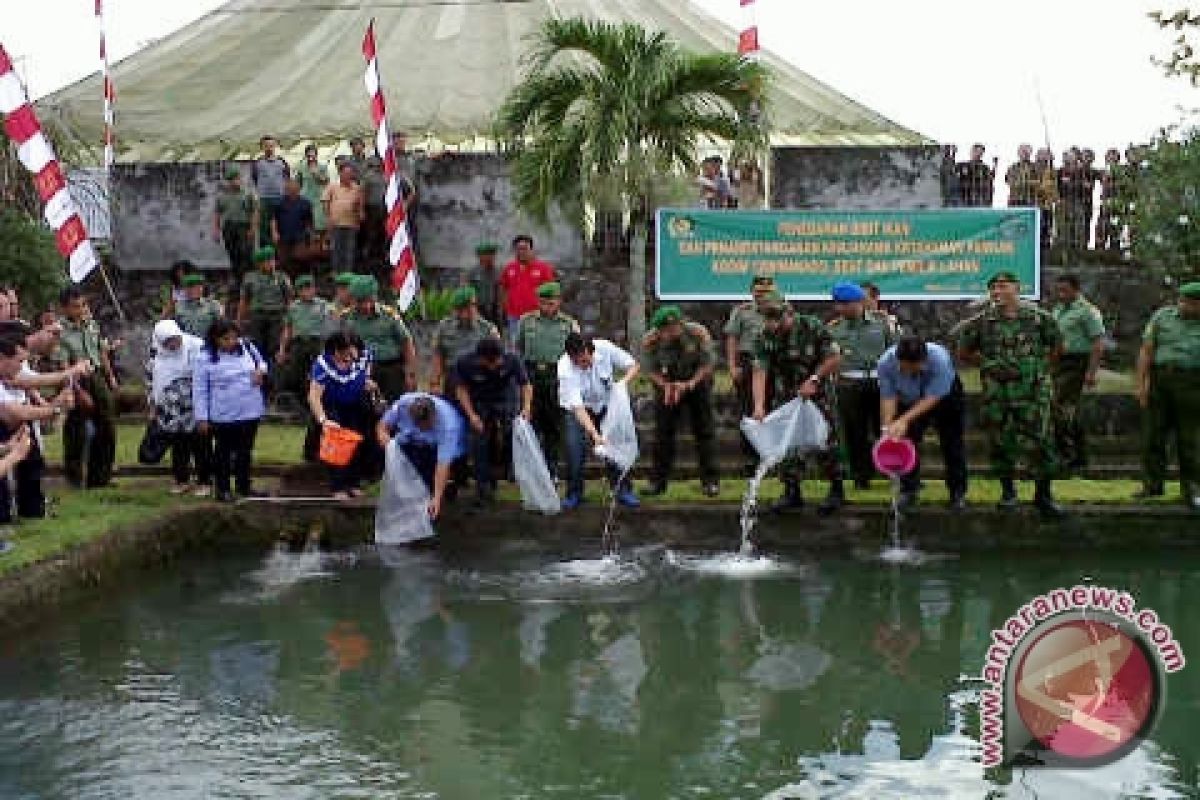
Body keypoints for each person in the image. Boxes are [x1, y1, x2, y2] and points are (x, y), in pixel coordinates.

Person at [955, 270, 1065, 516]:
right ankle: (1008, 493)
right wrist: (989, 366)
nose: (997, 292)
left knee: (1042, 443)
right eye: (993, 288)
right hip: (999, 394)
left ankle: (1043, 496)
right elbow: (964, 352)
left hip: (1034, 394)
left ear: (1017, 288)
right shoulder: (982, 322)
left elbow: (1057, 346)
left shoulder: (1039, 318)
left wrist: (1038, 369)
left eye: (1003, 286)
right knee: (1001, 444)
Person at [751, 291, 845, 515]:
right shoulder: (763, 336)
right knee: (787, 443)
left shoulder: (811, 327)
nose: (773, 324)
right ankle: (792, 491)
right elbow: (760, 370)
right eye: (768, 318)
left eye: (777, 318)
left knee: (825, 440)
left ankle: (836, 489)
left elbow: (834, 357)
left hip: (817, 391)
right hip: (787, 394)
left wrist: (814, 379)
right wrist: (759, 405)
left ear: (789, 313)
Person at [0, 327, 81, 526]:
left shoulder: (8, 376)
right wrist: (54, 408)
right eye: (18, 362)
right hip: (10, 423)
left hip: (15, 426)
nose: (21, 368)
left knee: (29, 465)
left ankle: (25, 513)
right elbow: (12, 412)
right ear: (2, 357)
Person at [877, 336, 968, 511]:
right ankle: (909, 490)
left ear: (924, 360)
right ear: (898, 360)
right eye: (906, 367)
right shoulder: (885, 364)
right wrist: (887, 428)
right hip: (908, 398)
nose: (911, 370)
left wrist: (903, 420)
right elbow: (888, 397)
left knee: (952, 443)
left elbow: (932, 398)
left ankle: (957, 492)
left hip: (945, 398)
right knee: (906, 440)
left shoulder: (940, 360)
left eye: (916, 366)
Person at [641, 306, 720, 498]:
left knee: (704, 432)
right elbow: (650, 369)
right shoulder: (650, 340)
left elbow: (707, 364)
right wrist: (666, 386)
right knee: (663, 433)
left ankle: (710, 482)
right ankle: (658, 482)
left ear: (680, 324)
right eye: (662, 330)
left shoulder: (698, 333)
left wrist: (690, 384)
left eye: (670, 329)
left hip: (697, 382)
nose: (665, 334)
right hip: (667, 384)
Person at [1135, 282, 1200, 510]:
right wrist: (1141, 384)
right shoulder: (1162, 317)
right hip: (1161, 380)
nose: (1184, 305)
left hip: (1192, 382)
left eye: (1190, 303)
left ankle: (1191, 488)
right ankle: (1152, 485)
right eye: (1182, 300)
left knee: (1189, 439)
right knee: (1153, 435)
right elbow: (1146, 350)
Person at [557, 333, 641, 510]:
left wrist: (623, 383)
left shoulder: (605, 347)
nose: (582, 364)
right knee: (574, 448)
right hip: (579, 410)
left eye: (585, 360)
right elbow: (577, 407)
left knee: (615, 446)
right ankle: (574, 493)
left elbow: (633, 365)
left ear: (592, 351)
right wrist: (595, 434)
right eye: (577, 361)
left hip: (607, 403)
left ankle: (622, 490)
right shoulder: (564, 368)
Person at [827, 281, 896, 489]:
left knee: (884, 429)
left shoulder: (882, 323)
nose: (840, 308)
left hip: (879, 382)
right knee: (854, 432)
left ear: (859, 303)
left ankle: (893, 472)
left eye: (845, 303)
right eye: (837, 304)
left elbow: (895, 351)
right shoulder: (833, 329)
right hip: (849, 383)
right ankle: (860, 477)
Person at [193, 319, 268, 503]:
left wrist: (261, 371)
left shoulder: (247, 347)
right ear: (215, 339)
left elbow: (262, 362)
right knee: (223, 453)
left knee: (245, 451)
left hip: (250, 410)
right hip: (223, 414)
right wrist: (201, 417)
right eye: (226, 339)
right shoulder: (204, 358)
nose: (231, 342)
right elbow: (199, 389)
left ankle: (244, 486)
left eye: (234, 338)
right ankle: (223, 489)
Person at [454, 337, 533, 506]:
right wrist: (472, 416)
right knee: (478, 440)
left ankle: (513, 470)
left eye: (496, 362)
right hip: (479, 400)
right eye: (489, 363)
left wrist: (526, 408)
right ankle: (483, 487)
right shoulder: (465, 362)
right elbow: (461, 390)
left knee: (513, 431)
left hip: (505, 398)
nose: (493, 366)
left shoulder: (511, 359)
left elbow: (525, 384)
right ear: (480, 358)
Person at [516, 282, 578, 480]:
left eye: (550, 303)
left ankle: (551, 470)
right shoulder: (526, 321)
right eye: (543, 303)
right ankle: (532, 470)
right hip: (532, 376)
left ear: (559, 302)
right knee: (531, 424)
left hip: (556, 376)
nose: (546, 307)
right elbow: (518, 349)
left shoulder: (568, 324)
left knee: (553, 426)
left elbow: (574, 353)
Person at [59, 286, 119, 489]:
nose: (81, 309)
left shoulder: (91, 324)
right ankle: (74, 478)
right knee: (76, 431)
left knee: (107, 426)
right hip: (75, 379)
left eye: (83, 305)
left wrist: (110, 376)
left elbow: (101, 350)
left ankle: (101, 478)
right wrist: (77, 390)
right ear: (65, 308)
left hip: (96, 375)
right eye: (76, 306)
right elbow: (63, 365)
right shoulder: (60, 331)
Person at [309, 330, 376, 500]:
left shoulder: (363, 356)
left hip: (355, 405)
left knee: (358, 442)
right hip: (332, 407)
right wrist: (324, 420)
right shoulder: (323, 364)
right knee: (339, 446)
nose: (347, 358)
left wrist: (366, 384)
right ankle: (338, 486)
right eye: (342, 353)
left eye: (351, 352)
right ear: (334, 350)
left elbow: (364, 375)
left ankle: (353, 483)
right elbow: (314, 396)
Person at [376, 393, 466, 520]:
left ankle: (443, 492)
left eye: (426, 425)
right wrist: (391, 452)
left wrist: (437, 498)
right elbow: (382, 428)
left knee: (430, 485)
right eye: (419, 424)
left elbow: (443, 465)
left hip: (436, 446)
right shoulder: (403, 404)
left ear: (433, 417)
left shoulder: (449, 425)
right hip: (408, 440)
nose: (423, 428)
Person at [1051, 274, 1107, 473]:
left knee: (1061, 408)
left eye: (1065, 290)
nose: (1060, 294)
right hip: (1059, 363)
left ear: (1076, 290)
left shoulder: (1087, 312)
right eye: (1058, 290)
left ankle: (1071, 456)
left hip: (1078, 363)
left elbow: (1099, 343)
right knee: (1060, 411)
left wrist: (1091, 372)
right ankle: (1073, 455)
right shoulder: (1058, 310)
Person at [148, 319, 210, 496]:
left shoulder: (196, 346)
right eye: (168, 341)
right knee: (178, 444)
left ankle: (204, 481)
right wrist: (153, 405)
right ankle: (182, 480)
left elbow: (204, 376)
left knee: (200, 444)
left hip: (195, 406)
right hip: (170, 410)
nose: (174, 344)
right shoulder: (157, 354)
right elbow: (151, 380)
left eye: (175, 339)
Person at [724, 275, 776, 476]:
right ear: (752, 292)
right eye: (758, 291)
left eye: (766, 291)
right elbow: (732, 339)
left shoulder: (781, 311)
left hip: (774, 364)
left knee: (773, 410)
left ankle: (771, 456)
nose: (762, 295)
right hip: (747, 362)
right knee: (748, 412)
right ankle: (750, 459)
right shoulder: (742, 312)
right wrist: (732, 365)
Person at [341, 276, 417, 402]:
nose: (365, 306)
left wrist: (410, 373)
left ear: (374, 297)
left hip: (390, 369)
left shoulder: (389, 315)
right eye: (360, 302)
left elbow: (406, 343)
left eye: (368, 300)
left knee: (394, 406)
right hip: (360, 370)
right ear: (353, 299)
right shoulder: (345, 318)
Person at [430, 286, 500, 395]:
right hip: (453, 378)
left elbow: (496, 360)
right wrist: (435, 382)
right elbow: (438, 356)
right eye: (466, 307)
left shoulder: (488, 329)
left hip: (478, 380)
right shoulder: (444, 328)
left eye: (473, 305)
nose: (471, 310)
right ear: (457, 310)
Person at [236, 246, 293, 379]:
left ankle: (273, 380)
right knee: (256, 347)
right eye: (267, 261)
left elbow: (289, 300)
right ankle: (258, 375)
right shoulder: (250, 277)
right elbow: (244, 300)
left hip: (277, 316)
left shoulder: (282, 277)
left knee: (275, 348)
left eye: (272, 260)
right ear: (260, 263)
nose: (270, 264)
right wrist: (239, 320)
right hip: (257, 316)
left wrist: (290, 320)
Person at [278, 275, 334, 398]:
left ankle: (321, 400)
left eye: (310, 288)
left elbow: (333, 322)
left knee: (320, 372)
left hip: (317, 343)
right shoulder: (293, 307)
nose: (308, 291)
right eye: (304, 289)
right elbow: (287, 329)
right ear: (298, 291)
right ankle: (300, 401)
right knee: (295, 374)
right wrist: (282, 349)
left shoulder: (323, 304)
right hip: (298, 343)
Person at [499, 235, 557, 345]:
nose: (521, 252)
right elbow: (503, 289)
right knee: (517, 346)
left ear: (531, 249)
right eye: (518, 249)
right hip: (515, 317)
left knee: (536, 346)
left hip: (537, 316)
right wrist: (505, 307)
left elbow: (552, 292)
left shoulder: (543, 268)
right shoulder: (509, 268)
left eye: (525, 248)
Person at [213, 166, 257, 289]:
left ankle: (250, 281)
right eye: (232, 179)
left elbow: (254, 212)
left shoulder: (248, 194)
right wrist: (216, 230)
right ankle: (239, 281)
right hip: (229, 227)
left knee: (247, 255)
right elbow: (217, 213)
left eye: (237, 178)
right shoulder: (222, 196)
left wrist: (252, 228)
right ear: (228, 181)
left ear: (240, 179)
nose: (235, 182)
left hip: (244, 226)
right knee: (233, 254)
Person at [322, 162, 365, 275]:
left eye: (350, 173)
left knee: (349, 251)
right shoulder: (332, 186)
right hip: (335, 224)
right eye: (345, 173)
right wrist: (328, 218)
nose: (348, 176)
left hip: (351, 224)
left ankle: (348, 274)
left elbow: (360, 205)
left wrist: (360, 214)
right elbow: (325, 203)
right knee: (336, 250)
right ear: (340, 173)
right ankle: (336, 273)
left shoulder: (357, 188)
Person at [270, 177, 315, 277]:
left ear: (299, 189)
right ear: (286, 189)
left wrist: (311, 236)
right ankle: (287, 283)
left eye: (294, 189)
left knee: (300, 260)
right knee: (284, 262)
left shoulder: (306, 203)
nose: (292, 191)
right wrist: (274, 232)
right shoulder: (279, 202)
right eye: (289, 189)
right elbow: (273, 219)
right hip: (283, 237)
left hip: (300, 237)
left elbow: (309, 222)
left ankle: (301, 282)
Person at [251, 135, 290, 246]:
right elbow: (255, 179)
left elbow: (287, 178)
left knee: (282, 226)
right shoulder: (257, 163)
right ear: (262, 147)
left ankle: (281, 258)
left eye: (271, 145)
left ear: (275, 146)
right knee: (264, 229)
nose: (269, 148)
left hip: (280, 199)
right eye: (266, 146)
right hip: (264, 199)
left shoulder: (282, 162)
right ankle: (267, 258)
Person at [172, 272, 224, 339]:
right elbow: (175, 328)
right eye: (189, 287)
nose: (192, 290)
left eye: (198, 287)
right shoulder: (178, 306)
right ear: (184, 289)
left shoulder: (213, 305)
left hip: (207, 344)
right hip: (187, 345)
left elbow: (221, 327)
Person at [298, 144, 330, 238]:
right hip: (305, 197)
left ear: (316, 155)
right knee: (306, 223)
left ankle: (321, 244)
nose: (311, 158)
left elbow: (326, 182)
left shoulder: (322, 167)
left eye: (313, 156)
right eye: (309, 156)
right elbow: (298, 182)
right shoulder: (301, 167)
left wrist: (316, 174)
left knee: (319, 223)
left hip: (319, 198)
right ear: (306, 156)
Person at [466, 242, 502, 326]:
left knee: (495, 335)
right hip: (478, 308)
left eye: (492, 255)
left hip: (494, 309)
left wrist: (500, 309)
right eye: (486, 254)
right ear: (479, 256)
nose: (490, 257)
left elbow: (500, 291)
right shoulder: (473, 272)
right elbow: (468, 291)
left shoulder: (498, 271)